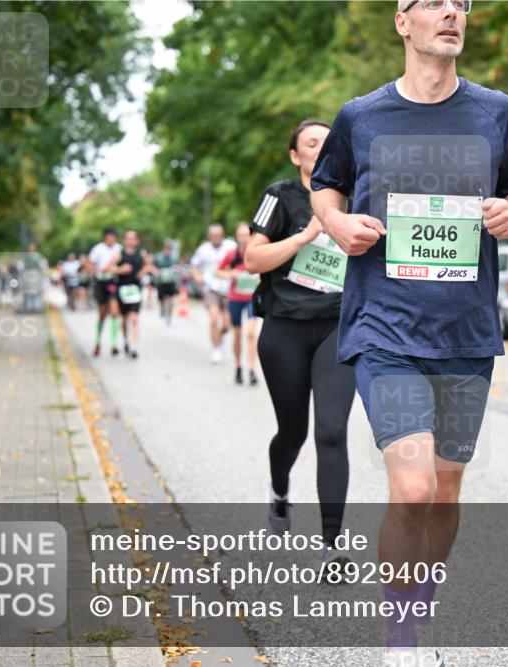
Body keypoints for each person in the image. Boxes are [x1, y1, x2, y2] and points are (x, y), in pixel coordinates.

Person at [310, 0, 508, 662]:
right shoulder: (361, 116)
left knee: (445, 490)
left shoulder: (498, 112)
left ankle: (419, 592)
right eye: (433, 3)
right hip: (386, 327)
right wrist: (336, 223)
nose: (451, 12)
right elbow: (328, 188)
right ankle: (402, 638)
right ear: (402, 22)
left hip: (467, 332)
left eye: (461, 4)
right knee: (411, 489)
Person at [245, 119, 357, 568]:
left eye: (329, 142)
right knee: (292, 432)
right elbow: (254, 258)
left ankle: (332, 545)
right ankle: (279, 492)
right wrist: (306, 235)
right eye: (312, 143)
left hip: (338, 326)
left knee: (331, 431)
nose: (321, 148)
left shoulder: (357, 195)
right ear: (296, 156)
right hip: (285, 328)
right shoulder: (281, 195)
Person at [217, 223, 260, 385]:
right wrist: (231, 274)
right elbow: (218, 271)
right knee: (237, 333)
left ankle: (251, 369)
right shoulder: (232, 255)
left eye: (246, 234)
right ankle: (238, 366)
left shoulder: (256, 252)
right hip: (235, 297)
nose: (243, 237)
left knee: (250, 333)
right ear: (236, 237)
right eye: (240, 235)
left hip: (251, 298)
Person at [191, 224, 237, 363]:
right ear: (209, 236)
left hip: (228, 288)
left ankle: (220, 336)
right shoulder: (203, 249)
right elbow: (194, 265)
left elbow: (240, 261)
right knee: (213, 318)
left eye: (218, 235)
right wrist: (197, 276)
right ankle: (216, 349)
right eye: (213, 235)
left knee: (226, 325)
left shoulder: (231, 246)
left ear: (223, 235)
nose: (216, 238)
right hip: (210, 288)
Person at [109, 230, 149, 360]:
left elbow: (149, 265)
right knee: (124, 319)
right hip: (122, 291)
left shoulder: (141, 254)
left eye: (133, 239)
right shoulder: (119, 255)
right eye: (128, 239)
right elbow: (108, 268)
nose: (131, 241)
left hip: (135, 290)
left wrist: (142, 272)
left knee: (134, 318)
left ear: (137, 241)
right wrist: (121, 270)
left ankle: (134, 346)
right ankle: (126, 340)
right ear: (124, 240)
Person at [87, 228, 122, 357]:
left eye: (113, 237)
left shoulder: (119, 248)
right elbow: (89, 264)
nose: (111, 239)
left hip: (112, 282)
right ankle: (98, 341)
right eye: (109, 237)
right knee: (102, 315)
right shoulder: (98, 249)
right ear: (105, 238)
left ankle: (114, 344)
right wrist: (96, 270)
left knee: (114, 312)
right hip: (100, 283)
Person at [154, 241, 180, 326]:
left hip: (170, 281)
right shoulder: (159, 258)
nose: (167, 251)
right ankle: (162, 308)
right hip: (161, 282)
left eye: (169, 249)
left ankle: (169, 316)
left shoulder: (174, 259)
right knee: (161, 298)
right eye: (166, 249)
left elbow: (178, 268)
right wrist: (157, 272)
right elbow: (154, 267)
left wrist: (176, 269)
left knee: (170, 299)